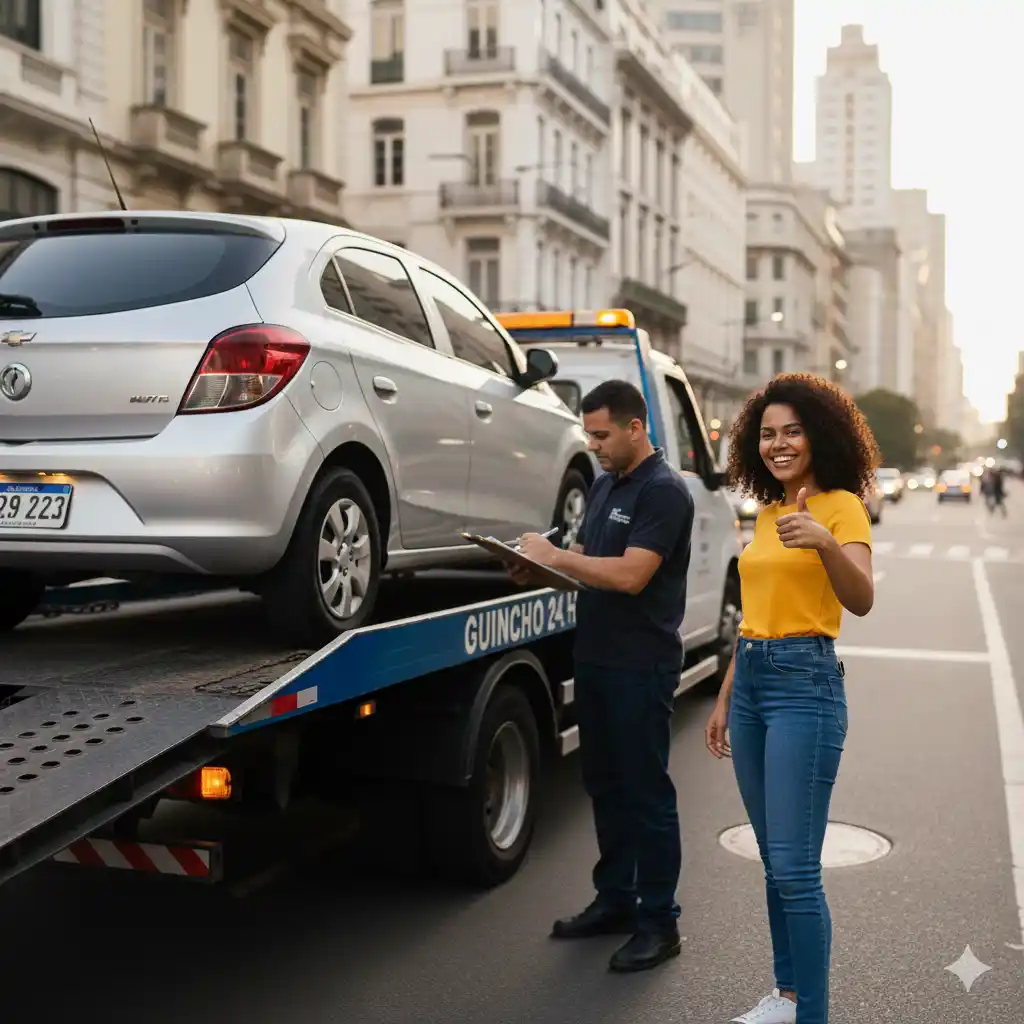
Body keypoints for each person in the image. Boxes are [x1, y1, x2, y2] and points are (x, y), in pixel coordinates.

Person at [704, 373, 879, 1024]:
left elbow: (860, 598)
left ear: (819, 435)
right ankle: (786, 997)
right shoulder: (772, 511)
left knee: (797, 869)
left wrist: (828, 543)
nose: (778, 444)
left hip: (804, 685)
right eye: (767, 434)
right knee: (773, 862)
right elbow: (756, 615)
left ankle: (813, 1015)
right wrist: (725, 697)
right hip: (751, 680)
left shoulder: (840, 505)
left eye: (792, 432)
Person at [509, 378, 695, 973]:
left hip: (641, 666)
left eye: (600, 434)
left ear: (635, 427)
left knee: (646, 796)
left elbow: (630, 575)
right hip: (596, 657)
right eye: (588, 434)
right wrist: (533, 567)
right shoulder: (605, 481)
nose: (592, 445)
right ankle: (616, 901)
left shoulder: (665, 492)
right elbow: (589, 560)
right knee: (606, 788)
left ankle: (660, 923)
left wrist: (556, 557)